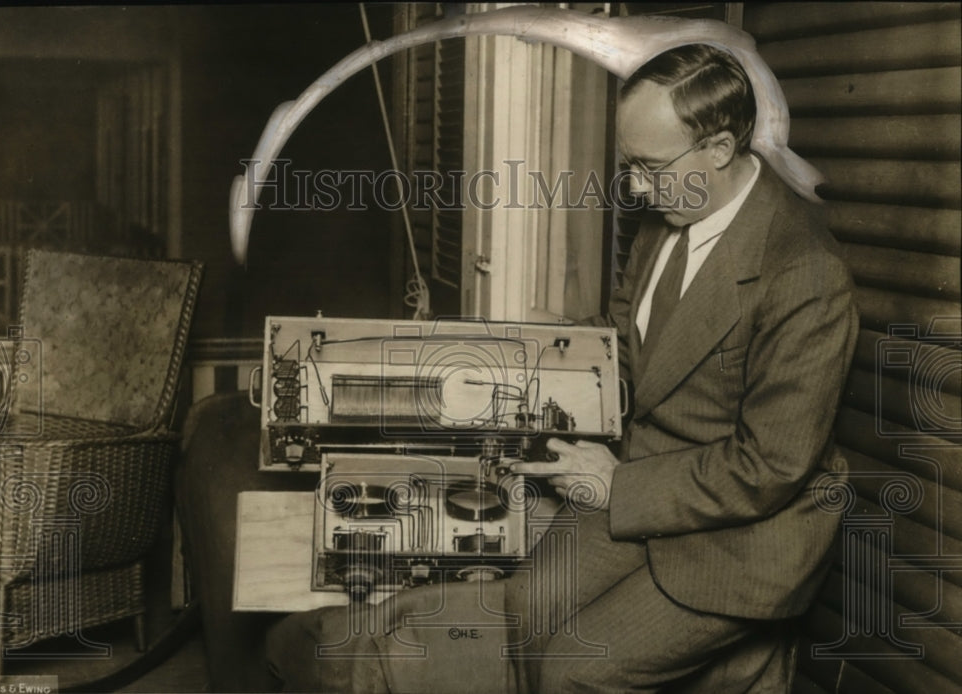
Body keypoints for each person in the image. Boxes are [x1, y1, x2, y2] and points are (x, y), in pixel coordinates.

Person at [265, 42, 858, 693]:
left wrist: (616, 488)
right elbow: (626, 353)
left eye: (650, 167)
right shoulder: (665, 219)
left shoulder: (803, 273)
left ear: (719, 148)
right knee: (525, 612)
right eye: (627, 164)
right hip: (644, 487)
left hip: (742, 540)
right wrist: (512, 373)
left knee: (575, 670)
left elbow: (769, 466)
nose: (633, 187)